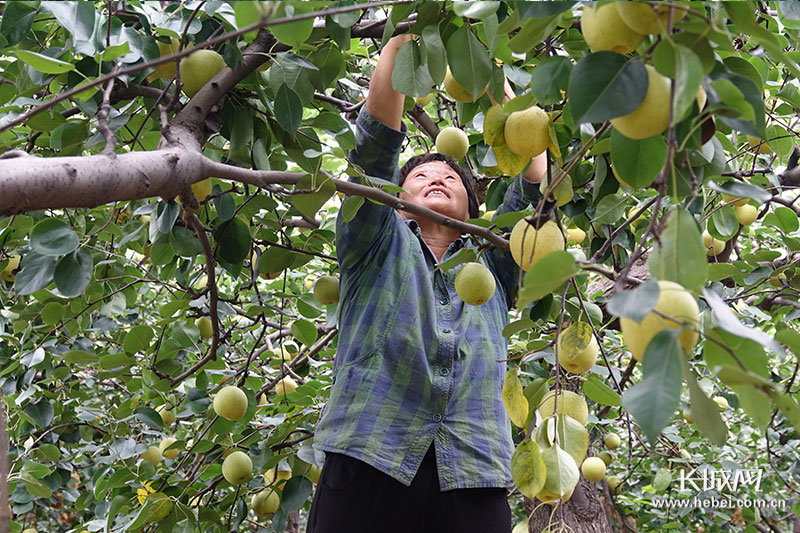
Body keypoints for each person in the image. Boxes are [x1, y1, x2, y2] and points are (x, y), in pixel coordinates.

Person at [308, 33, 546, 533]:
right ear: (397, 198)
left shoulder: (497, 264)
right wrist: (404, 41)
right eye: (420, 177)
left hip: (473, 474)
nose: (438, 178)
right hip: (370, 457)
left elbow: (535, 182)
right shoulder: (373, 242)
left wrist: (480, 68)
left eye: (452, 179)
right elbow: (375, 150)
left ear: (474, 208)